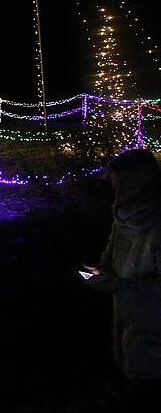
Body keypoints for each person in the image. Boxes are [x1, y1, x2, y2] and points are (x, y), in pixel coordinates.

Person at [82, 148, 161, 408]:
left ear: (145, 185)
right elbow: (111, 256)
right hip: (130, 332)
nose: (117, 196)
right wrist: (98, 271)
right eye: (115, 188)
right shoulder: (123, 217)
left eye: (123, 188)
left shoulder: (156, 226)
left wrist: (118, 287)